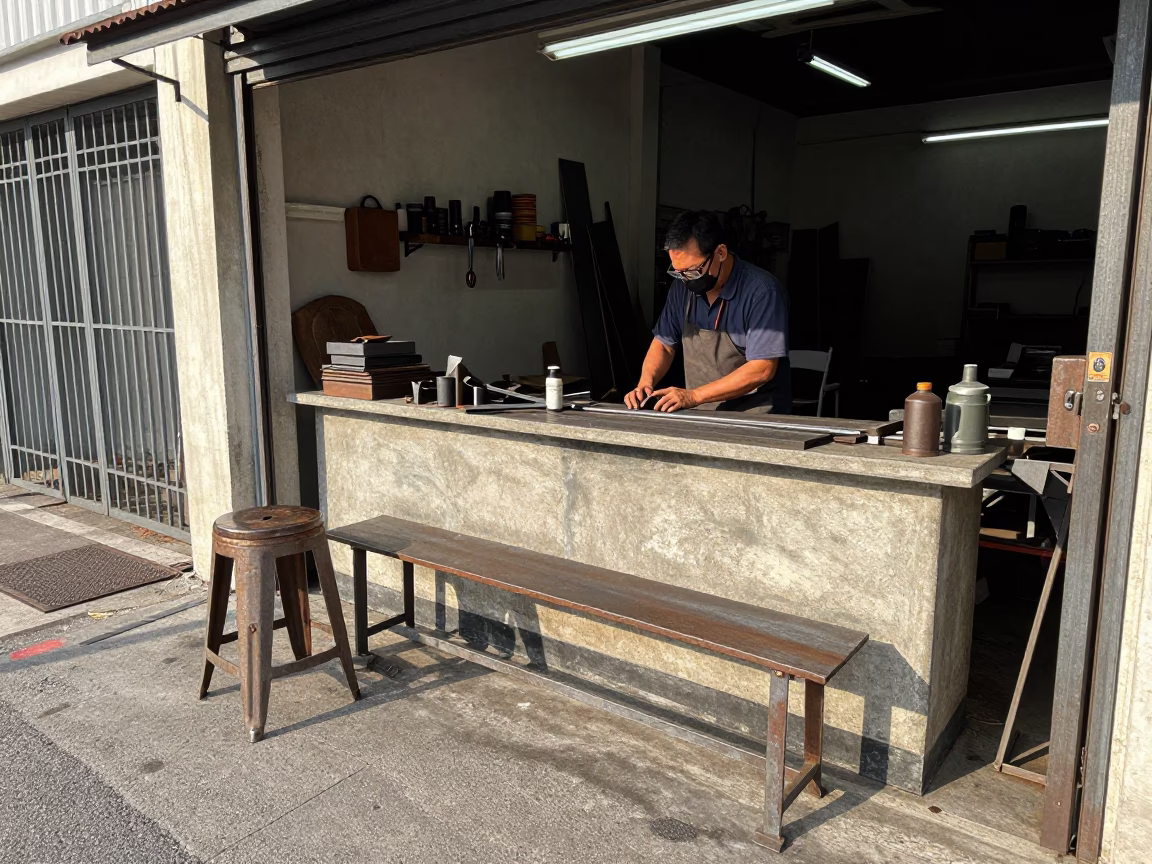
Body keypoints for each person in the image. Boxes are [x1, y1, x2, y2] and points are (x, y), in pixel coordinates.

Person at [625, 210, 791, 413]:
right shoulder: (681, 288)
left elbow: (762, 368)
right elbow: (664, 344)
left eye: (693, 271)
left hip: (755, 416)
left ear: (720, 253)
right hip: (702, 413)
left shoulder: (761, 292)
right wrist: (645, 383)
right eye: (678, 272)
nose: (686, 279)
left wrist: (694, 395)